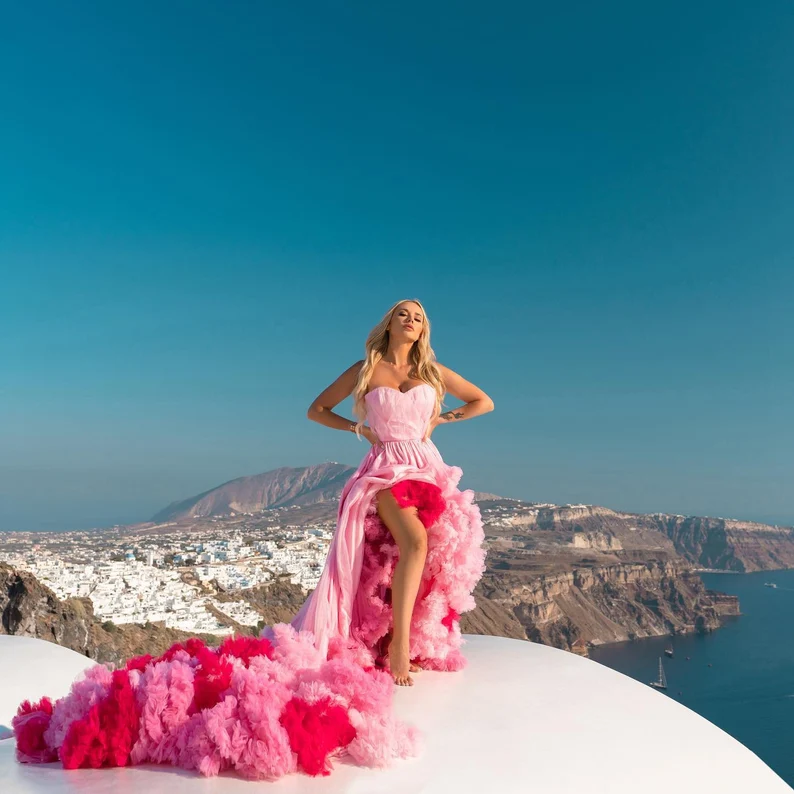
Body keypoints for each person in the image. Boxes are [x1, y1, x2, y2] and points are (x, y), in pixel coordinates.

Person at [12, 298, 493, 780]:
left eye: (420, 316)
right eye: (403, 314)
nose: (412, 320)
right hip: (386, 468)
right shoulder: (367, 367)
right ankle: (398, 648)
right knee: (413, 543)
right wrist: (358, 429)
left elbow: (482, 401)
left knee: (420, 556)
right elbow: (316, 409)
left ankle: (395, 634)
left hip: (427, 465)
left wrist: (441, 421)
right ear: (389, 323)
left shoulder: (432, 370)